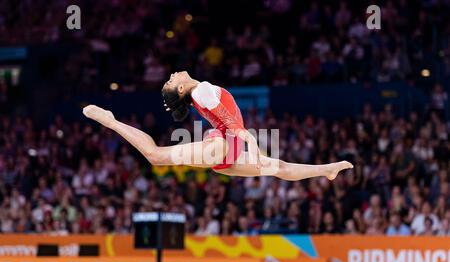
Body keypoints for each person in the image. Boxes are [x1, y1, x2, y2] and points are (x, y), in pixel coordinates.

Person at [83, 71, 353, 181]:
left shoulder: (200, 93)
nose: (172, 74)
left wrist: (247, 142)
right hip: (224, 146)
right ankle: (110, 120)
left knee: (278, 168)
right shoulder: (200, 91)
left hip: (224, 152)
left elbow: (228, 121)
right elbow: (232, 123)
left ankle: (328, 169)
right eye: (170, 79)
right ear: (179, 87)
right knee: (156, 156)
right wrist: (252, 144)